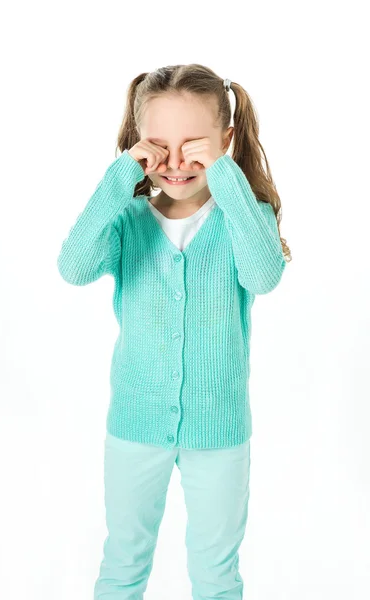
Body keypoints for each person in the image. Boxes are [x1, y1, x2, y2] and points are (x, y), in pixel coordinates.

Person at [57, 63, 291, 600]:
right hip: (135, 424)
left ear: (226, 141)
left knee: (216, 576)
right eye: (158, 145)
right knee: (122, 565)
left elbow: (264, 276)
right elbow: (73, 267)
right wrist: (118, 180)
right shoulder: (128, 218)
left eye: (195, 145)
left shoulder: (242, 217)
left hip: (220, 430)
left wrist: (228, 179)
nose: (176, 162)